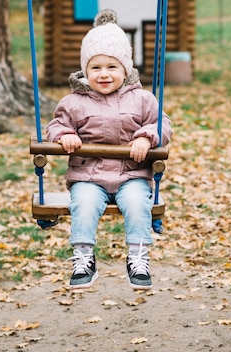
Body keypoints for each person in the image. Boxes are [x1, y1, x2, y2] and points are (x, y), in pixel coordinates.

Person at [46, 9, 172, 291]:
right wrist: (65, 135)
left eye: (112, 67)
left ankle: (138, 257)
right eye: (96, 67)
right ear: (85, 70)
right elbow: (55, 125)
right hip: (88, 176)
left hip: (131, 176)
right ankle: (83, 258)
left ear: (125, 68)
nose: (104, 74)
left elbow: (162, 123)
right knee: (85, 205)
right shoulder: (73, 102)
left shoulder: (143, 99)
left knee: (139, 205)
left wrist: (146, 137)